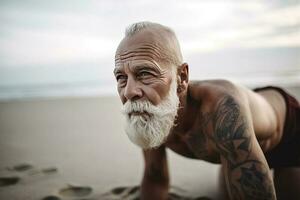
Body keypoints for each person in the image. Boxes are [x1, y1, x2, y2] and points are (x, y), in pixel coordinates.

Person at [113, 21, 300, 200]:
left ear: (182, 77)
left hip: (289, 133)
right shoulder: (152, 115)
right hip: (239, 146)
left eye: (145, 73)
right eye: (121, 77)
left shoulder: (222, 110)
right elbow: (155, 179)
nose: (129, 92)